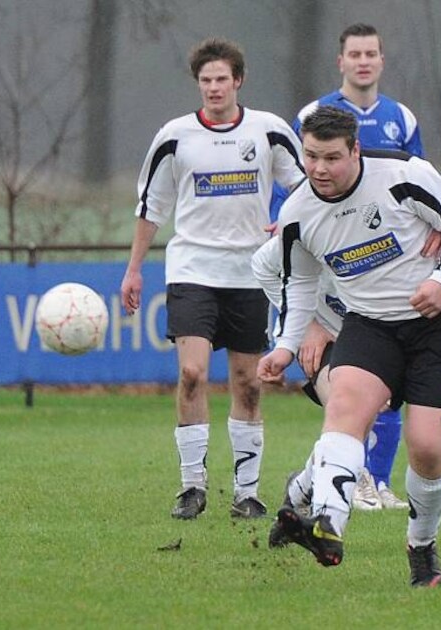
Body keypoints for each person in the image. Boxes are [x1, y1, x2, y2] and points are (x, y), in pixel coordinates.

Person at [257, 106, 441, 587]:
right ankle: (328, 525)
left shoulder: (402, 173)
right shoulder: (297, 212)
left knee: (426, 444)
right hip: (369, 326)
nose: (319, 169)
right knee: (345, 407)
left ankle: (421, 544)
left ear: (355, 150)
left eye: (331, 158)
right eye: (311, 156)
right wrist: (287, 344)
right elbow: (299, 283)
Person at [121, 37, 306, 521]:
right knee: (192, 373)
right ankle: (192, 487)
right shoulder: (174, 137)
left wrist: (287, 222)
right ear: (198, 84)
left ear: (238, 80)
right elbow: (151, 207)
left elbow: (307, 188)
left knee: (247, 383)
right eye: (206, 80)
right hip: (192, 270)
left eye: (222, 79)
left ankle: (246, 492)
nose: (214, 88)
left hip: (250, 272)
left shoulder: (269, 131)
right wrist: (134, 269)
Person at [292, 22, 428, 510]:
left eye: (371, 53)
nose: (364, 61)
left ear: (381, 60)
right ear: (341, 61)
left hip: (384, 263)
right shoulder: (314, 116)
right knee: (355, 390)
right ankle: (345, 479)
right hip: (335, 264)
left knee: (388, 383)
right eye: (356, 54)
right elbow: (296, 186)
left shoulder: (400, 118)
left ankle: (376, 482)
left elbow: (419, 182)